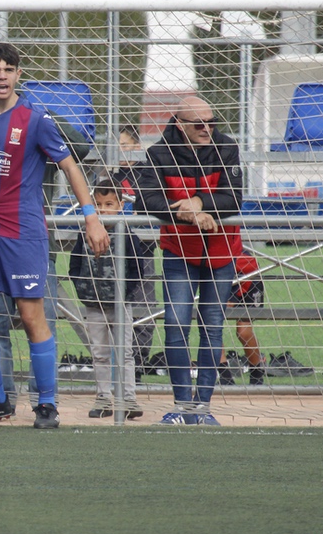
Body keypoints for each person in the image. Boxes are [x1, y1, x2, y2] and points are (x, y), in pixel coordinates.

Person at [0, 42, 110, 429]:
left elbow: (70, 166)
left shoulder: (36, 118)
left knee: (31, 318)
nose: (2, 76)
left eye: (9, 70)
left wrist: (91, 217)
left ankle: (46, 403)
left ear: (18, 75)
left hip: (25, 232)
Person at [139, 95, 243, 426]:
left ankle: (203, 407)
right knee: (175, 327)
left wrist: (199, 202)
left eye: (212, 122)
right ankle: (183, 405)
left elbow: (234, 198)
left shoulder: (227, 148)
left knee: (212, 329)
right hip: (178, 252)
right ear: (180, 124)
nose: (207, 129)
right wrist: (188, 214)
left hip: (221, 254)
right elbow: (145, 199)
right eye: (199, 124)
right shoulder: (158, 153)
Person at [68, 177, 148, 419]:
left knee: (124, 352)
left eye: (110, 204)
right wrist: (83, 289)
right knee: (99, 352)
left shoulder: (128, 235)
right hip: (93, 305)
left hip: (120, 305)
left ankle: (129, 399)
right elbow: (74, 265)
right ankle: (103, 397)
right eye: (99, 204)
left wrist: (126, 294)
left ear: (121, 205)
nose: (104, 209)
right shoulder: (85, 234)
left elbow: (138, 268)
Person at [112, 123, 157, 376]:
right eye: (116, 147)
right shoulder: (109, 178)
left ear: (137, 148)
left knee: (144, 307)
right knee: (110, 310)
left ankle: (137, 363)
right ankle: (115, 364)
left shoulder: (147, 176)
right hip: (112, 254)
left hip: (142, 251)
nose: (121, 151)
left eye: (125, 146)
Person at [217, 241, 267, 386]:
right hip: (218, 272)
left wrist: (232, 296)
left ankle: (256, 373)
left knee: (244, 332)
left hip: (247, 277)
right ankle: (225, 375)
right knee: (212, 327)